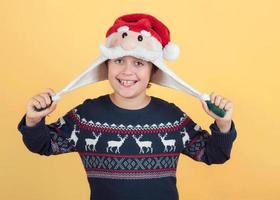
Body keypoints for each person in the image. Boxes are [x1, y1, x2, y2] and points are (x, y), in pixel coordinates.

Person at [17, 13, 237, 200]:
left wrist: (223, 124)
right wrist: (34, 121)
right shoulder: (84, 117)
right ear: (106, 65)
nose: (127, 72)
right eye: (119, 60)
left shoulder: (173, 118)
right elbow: (44, 145)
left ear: (154, 71)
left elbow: (213, 154)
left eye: (139, 63)